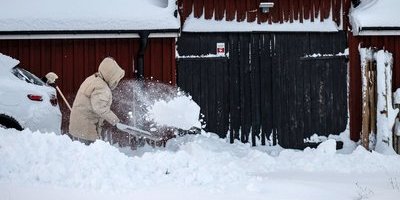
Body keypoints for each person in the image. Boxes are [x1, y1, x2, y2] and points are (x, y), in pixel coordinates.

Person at [68, 57, 125, 145]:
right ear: (110, 76)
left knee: (80, 154)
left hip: (78, 126)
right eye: (115, 79)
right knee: (90, 155)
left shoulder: (92, 79)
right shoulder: (101, 87)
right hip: (86, 129)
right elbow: (100, 108)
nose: (116, 83)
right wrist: (115, 121)